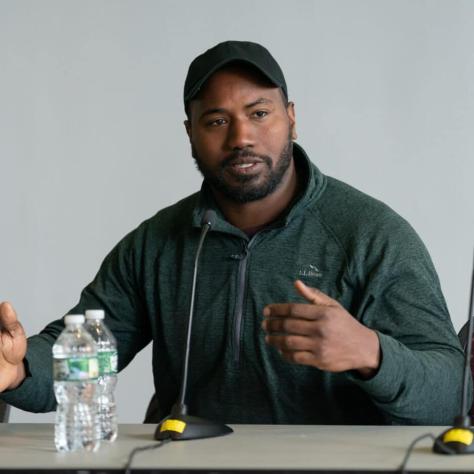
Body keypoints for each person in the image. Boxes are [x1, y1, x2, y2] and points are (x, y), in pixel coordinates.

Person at [0, 41, 468, 425]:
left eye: (259, 113)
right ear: (190, 134)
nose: (241, 137)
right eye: (217, 121)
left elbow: (450, 394)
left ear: (291, 117)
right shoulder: (155, 245)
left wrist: (372, 353)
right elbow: (89, 357)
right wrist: (20, 369)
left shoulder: (372, 236)